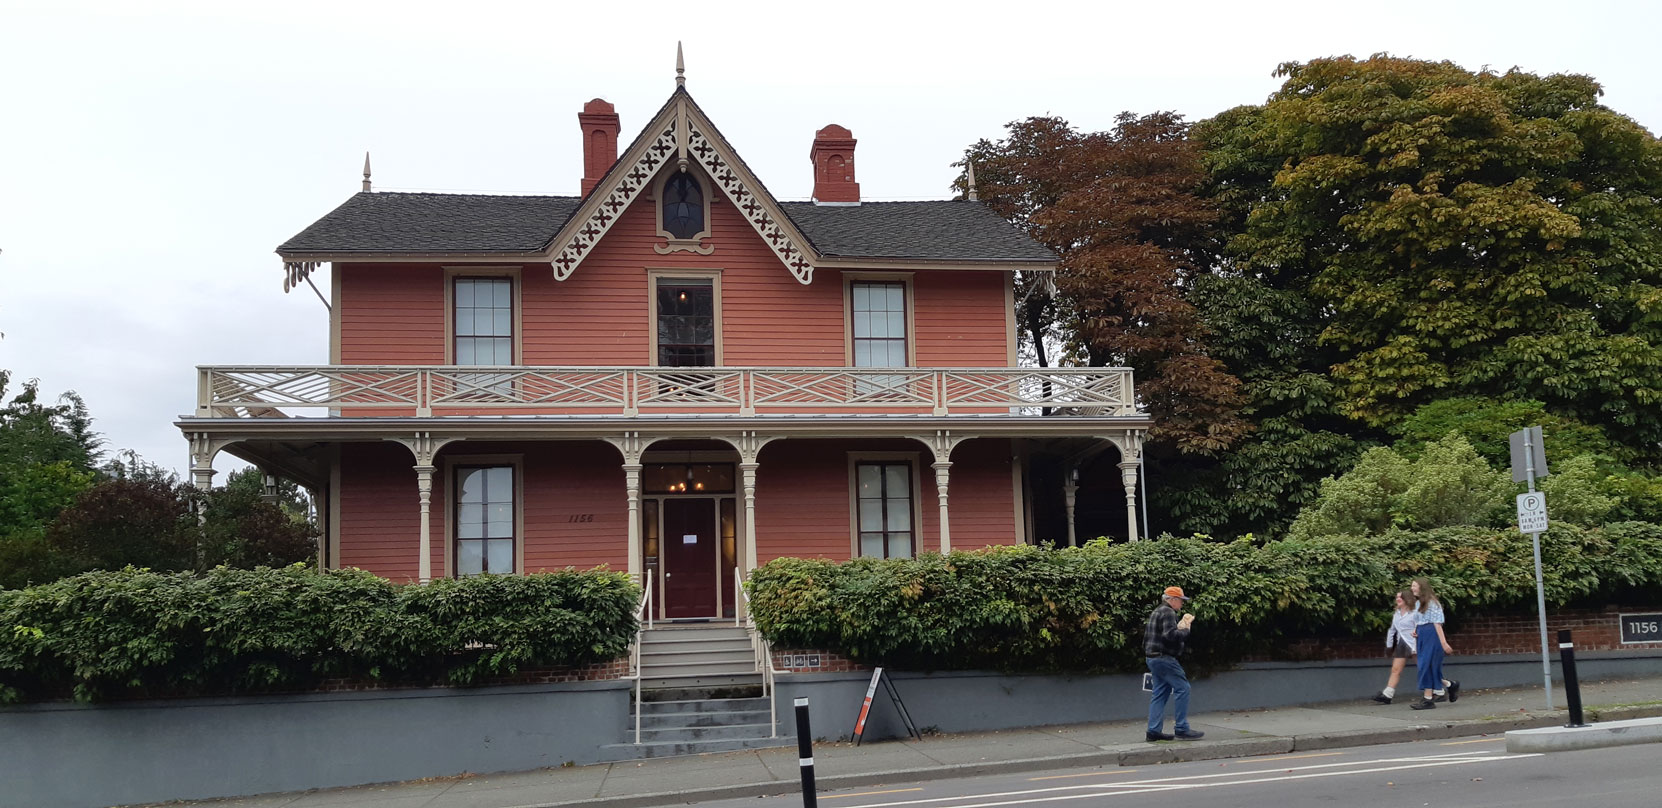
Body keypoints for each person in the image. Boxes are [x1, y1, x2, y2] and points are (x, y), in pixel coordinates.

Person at [1144, 585, 1204, 741]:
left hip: (1152, 657)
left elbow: (1150, 638)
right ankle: (1182, 728)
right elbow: (1170, 635)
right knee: (1183, 688)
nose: (1182, 604)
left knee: (1160, 693)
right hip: (1165, 658)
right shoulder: (1168, 612)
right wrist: (1185, 629)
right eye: (1180, 600)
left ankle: (1153, 731)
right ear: (1172, 599)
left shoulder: (1157, 611)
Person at [1409, 577, 1460, 710]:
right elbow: (1418, 620)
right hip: (1422, 635)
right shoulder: (1418, 603)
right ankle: (1450, 685)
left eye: (1414, 586)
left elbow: (1437, 624)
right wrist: (1415, 631)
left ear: (1422, 587)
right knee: (1427, 666)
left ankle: (1428, 699)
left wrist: (1443, 643)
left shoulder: (1432, 603)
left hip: (1432, 635)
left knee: (1426, 666)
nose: (1412, 588)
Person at [1370, 589, 1417, 704]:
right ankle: (1388, 694)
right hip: (1402, 643)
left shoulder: (1415, 613)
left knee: (1423, 668)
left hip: (1414, 643)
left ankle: (1443, 686)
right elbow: (1392, 630)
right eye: (1396, 597)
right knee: (1395, 669)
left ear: (1407, 599)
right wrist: (1389, 646)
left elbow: (1419, 628)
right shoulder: (1397, 614)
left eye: (1400, 597)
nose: (1397, 599)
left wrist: (1416, 646)